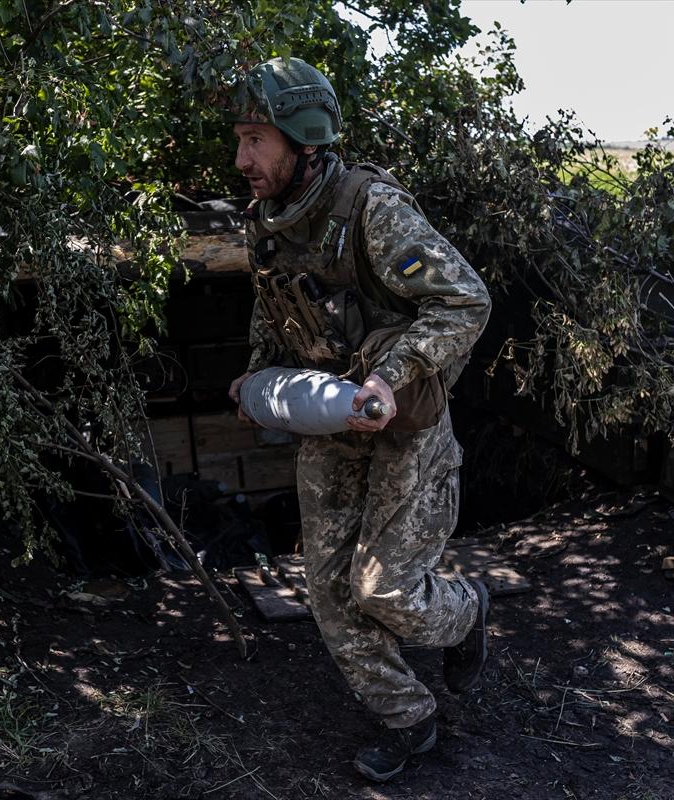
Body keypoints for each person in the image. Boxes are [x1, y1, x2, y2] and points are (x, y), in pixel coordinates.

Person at [225, 57, 493, 783]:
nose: (242, 158)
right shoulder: (269, 223)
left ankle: (467, 613)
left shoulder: (371, 209)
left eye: (256, 139)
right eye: (241, 139)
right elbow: (272, 308)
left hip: (402, 425)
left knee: (386, 591)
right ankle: (410, 718)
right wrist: (257, 373)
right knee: (329, 590)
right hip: (331, 424)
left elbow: (466, 302)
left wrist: (389, 376)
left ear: (302, 140)